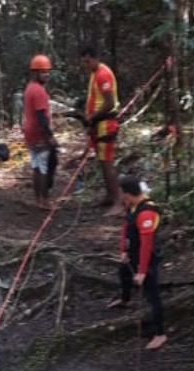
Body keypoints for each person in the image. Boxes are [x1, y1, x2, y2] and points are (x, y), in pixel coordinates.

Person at [107, 176, 167, 350]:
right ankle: (124, 299)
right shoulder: (132, 206)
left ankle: (160, 333)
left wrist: (142, 271)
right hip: (132, 253)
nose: (121, 197)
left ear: (128, 193)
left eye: (122, 193)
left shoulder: (147, 212)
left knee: (151, 294)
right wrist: (123, 251)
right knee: (123, 273)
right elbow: (126, 228)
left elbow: (146, 245)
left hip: (146, 259)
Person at [79, 44, 121, 215]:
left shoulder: (103, 75)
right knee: (102, 162)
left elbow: (109, 102)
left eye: (88, 61)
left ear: (95, 58)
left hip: (106, 124)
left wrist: (92, 116)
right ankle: (110, 195)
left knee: (108, 163)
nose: (86, 65)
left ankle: (118, 202)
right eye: (84, 62)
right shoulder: (95, 74)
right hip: (98, 124)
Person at [22, 54, 58, 211]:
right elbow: (41, 116)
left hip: (30, 133)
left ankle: (38, 199)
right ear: (35, 72)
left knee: (36, 166)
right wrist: (50, 136)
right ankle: (45, 200)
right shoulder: (39, 91)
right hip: (39, 134)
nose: (46, 75)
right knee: (44, 168)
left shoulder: (30, 87)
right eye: (43, 72)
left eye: (48, 71)